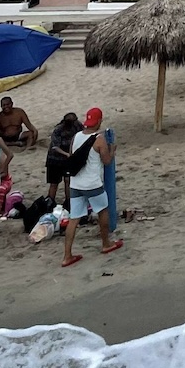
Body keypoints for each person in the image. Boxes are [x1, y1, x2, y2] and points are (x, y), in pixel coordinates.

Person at [61, 107, 121, 266]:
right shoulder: (99, 139)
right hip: (92, 183)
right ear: (99, 121)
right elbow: (107, 161)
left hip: (75, 183)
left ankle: (67, 255)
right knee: (103, 210)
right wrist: (112, 150)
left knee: (74, 218)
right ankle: (106, 243)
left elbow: (72, 156)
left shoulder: (76, 137)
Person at [46, 112, 80, 202]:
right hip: (55, 159)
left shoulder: (77, 126)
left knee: (68, 180)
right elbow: (55, 146)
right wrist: (66, 154)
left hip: (68, 159)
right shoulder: (58, 130)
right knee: (54, 183)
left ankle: (69, 201)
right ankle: (50, 201)